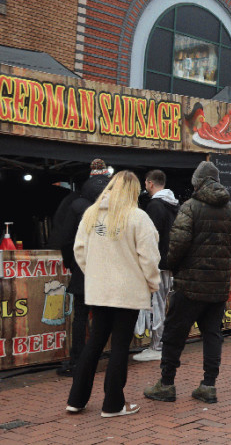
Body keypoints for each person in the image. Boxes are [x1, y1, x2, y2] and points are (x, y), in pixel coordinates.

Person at [144, 161, 231, 404]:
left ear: (197, 182)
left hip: (189, 284)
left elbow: (176, 246)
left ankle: (166, 384)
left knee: (175, 334)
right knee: (212, 335)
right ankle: (208, 385)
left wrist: (175, 266)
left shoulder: (189, 207)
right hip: (218, 286)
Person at [66, 171, 161, 417]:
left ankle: (76, 399)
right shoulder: (138, 217)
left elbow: (80, 252)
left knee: (95, 342)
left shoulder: (91, 214)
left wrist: (96, 274)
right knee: (119, 345)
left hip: (99, 289)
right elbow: (149, 257)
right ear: (134, 191)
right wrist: (152, 284)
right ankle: (113, 404)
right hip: (127, 290)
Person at [51, 159, 110, 377]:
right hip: (109, 268)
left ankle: (78, 361)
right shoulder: (116, 205)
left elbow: (66, 240)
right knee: (105, 315)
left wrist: (71, 263)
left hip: (84, 268)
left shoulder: (77, 205)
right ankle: (98, 356)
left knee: (81, 316)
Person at [133, 170, 179, 362]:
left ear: (150, 183)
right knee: (164, 304)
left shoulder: (154, 206)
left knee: (157, 305)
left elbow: (149, 238)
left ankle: (157, 345)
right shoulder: (176, 205)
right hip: (171, 262)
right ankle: (160, 343)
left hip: (157, 263)